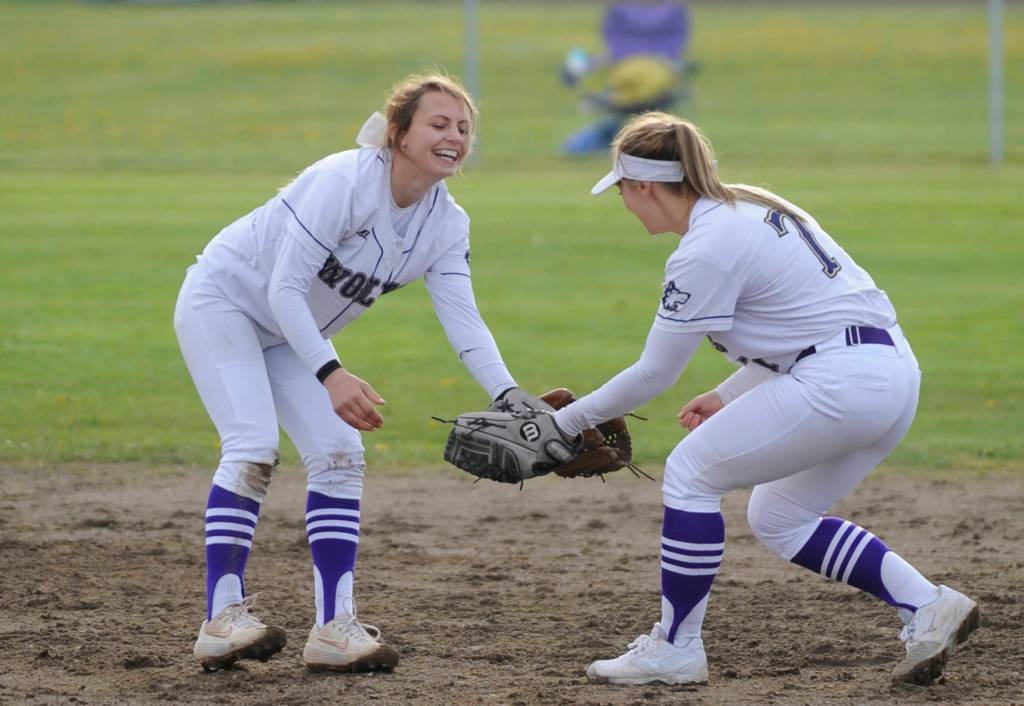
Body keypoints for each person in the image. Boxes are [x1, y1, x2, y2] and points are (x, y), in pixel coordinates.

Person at [550, 112, 980, 686]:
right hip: (891, 373)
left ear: (646, 186)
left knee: (690, 473)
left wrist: (564, 423)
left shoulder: (704, 248)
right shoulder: (753, 207)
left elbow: (655, 374)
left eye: (624, 191)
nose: (625, 204)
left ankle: (676, 647)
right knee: (779, 515)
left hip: (841, 381)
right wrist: (729, 392)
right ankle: (927, 604)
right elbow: (812, 320)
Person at [174, 73, 526, 674]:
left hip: (294, 335)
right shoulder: (344, 182)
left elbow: (465, 323)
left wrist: (512, 396)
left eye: (464, 128)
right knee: (253, 444)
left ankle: (334, 628)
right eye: (438, 124)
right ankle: (221, 618)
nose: (455, 137)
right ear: (398, 133)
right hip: (226, 304)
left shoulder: (446, 223)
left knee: (341, 453)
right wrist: (332, 371)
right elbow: (283, 288)